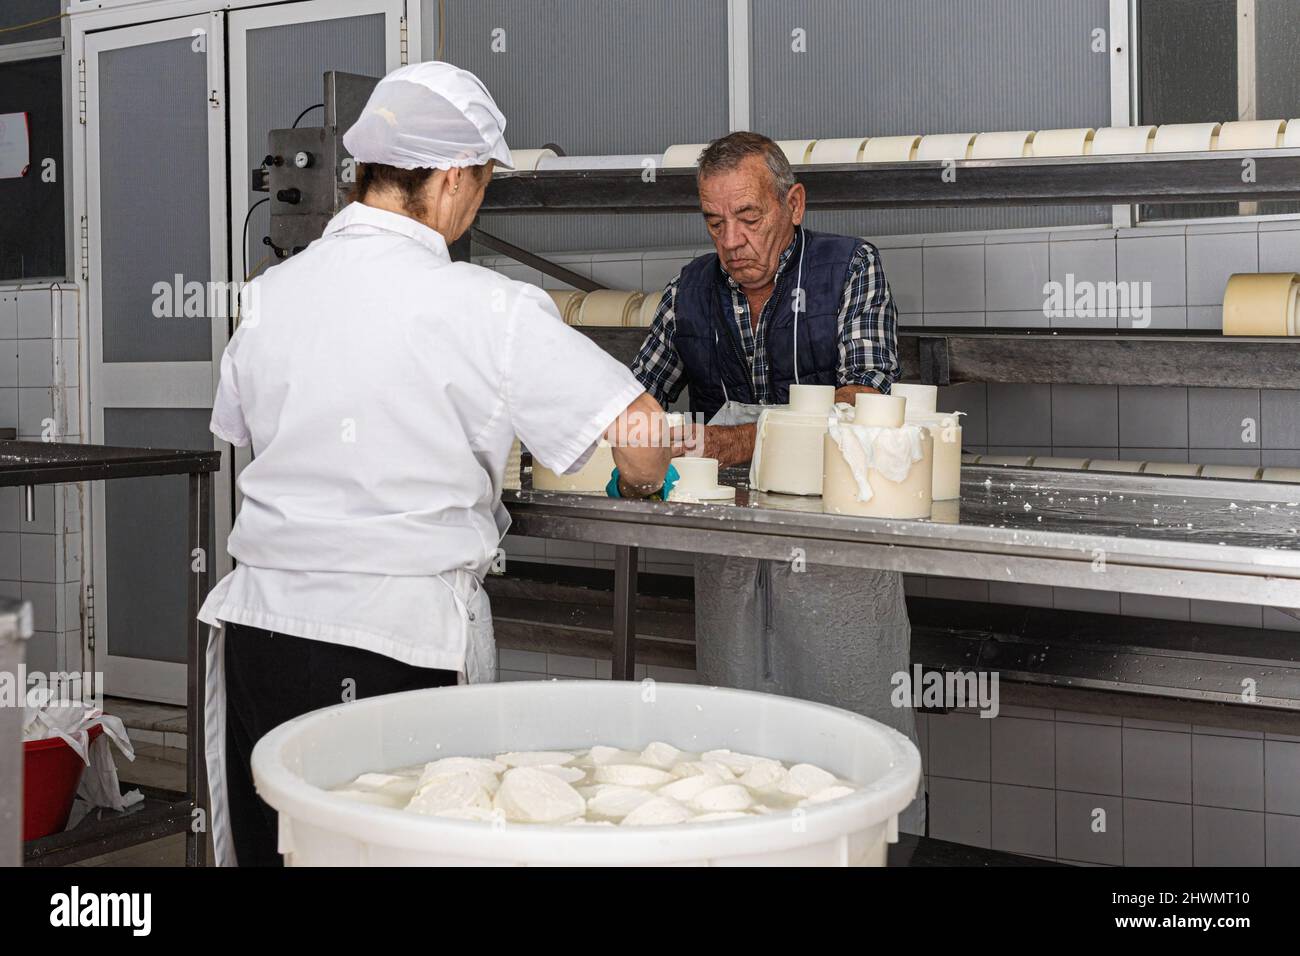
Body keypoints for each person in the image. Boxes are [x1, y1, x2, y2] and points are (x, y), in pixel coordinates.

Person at [199, 62, 673, 865]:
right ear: (453, 179)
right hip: (393, 648)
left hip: (261, 633)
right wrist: (638, 481)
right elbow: (643, 428)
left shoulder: (272, 294)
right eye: (484, 183)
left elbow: (248, 431)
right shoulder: (485, 306)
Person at [631, 131, 924, 832]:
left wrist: (722, 441)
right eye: (713, 221)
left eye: (749, 217)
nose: (730, 240)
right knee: (740, 741)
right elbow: (633, 398)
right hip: (732, 554)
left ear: (792, 204)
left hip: (836, 551)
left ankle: (867, 844)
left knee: (849, 731)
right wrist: (626, 450)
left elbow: (860, 410)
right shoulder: (690, 292)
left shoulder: (849, 269)